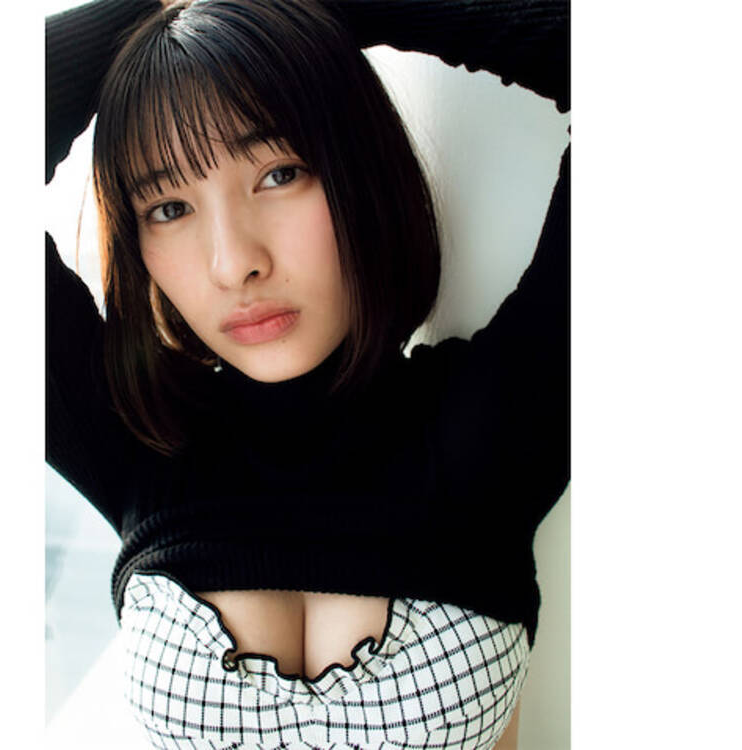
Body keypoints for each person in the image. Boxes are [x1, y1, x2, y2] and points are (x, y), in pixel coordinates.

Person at [45, 0, 569, 747]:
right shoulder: (139, 439)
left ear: (359, 168)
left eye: (280, 173)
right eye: (169, 207)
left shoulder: (491, 430)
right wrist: (154, 10)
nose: (234, 263)